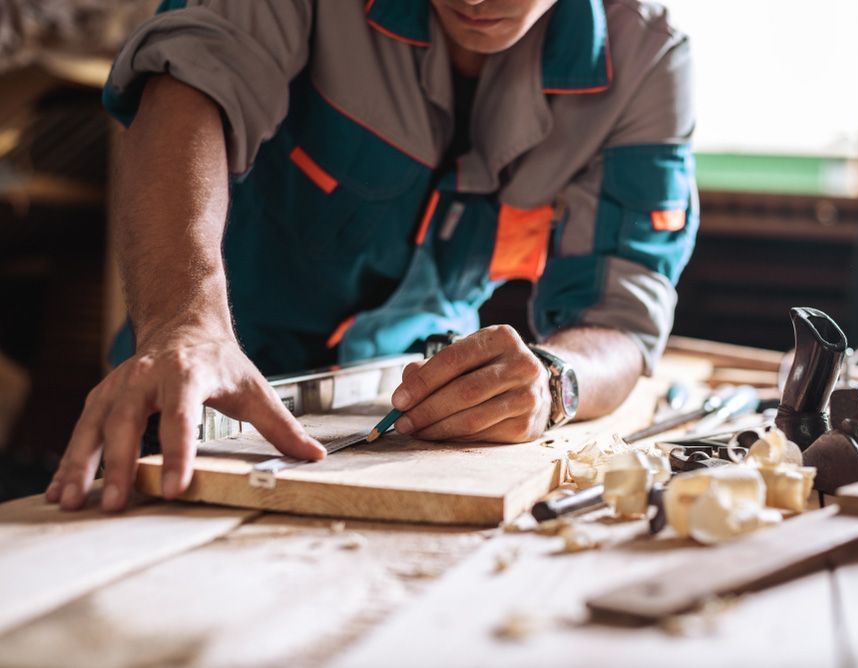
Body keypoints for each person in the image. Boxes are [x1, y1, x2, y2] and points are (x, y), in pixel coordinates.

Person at [46, 0, 698, 513]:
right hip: (202, 397)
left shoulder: (646, 57)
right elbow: (186, 86)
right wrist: (183, 321)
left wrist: (555, 381)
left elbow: (623, 323)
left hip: (414, 425)